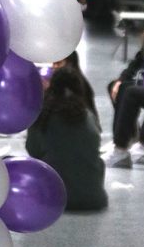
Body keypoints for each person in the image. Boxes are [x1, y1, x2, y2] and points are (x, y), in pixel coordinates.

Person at [26, 66, 108, 212]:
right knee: (97, 161)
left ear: (52, 86)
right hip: (94, 200)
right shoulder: (88, 114)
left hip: (55, 198)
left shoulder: (43, 114)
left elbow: (33, 150)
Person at [104, 2, 144, 167]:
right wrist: (121, 79)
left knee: (132, 93)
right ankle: (130, 141)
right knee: (121, 87)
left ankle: (122, 149)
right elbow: (138, 60)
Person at [51, 50, 100, 130]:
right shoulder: (82, 82)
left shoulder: (70, 90)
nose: (54, 67)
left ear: (69, 63)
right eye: (53, 63)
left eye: (58, 63)